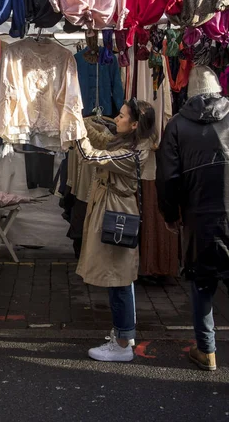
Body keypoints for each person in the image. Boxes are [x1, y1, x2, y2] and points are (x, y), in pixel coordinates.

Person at [156, 65, 229, 372]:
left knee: (202, 284)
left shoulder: (176, 126)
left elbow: (169, 178)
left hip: (199, 218)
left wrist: (170, 215)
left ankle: (207, 352)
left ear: (188, 92)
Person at [76, 98, 156, 362]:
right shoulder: (128, 142)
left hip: (117, 212)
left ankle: (122, 344)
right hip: (113, 207)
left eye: (122, 116)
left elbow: (92, 155)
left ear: (134, 125)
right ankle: (122, 336)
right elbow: (102, 138)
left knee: (119, 277)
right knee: (118, 277)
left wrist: (75, 132)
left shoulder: (133, 153)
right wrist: (83, 122)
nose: (117, 119)